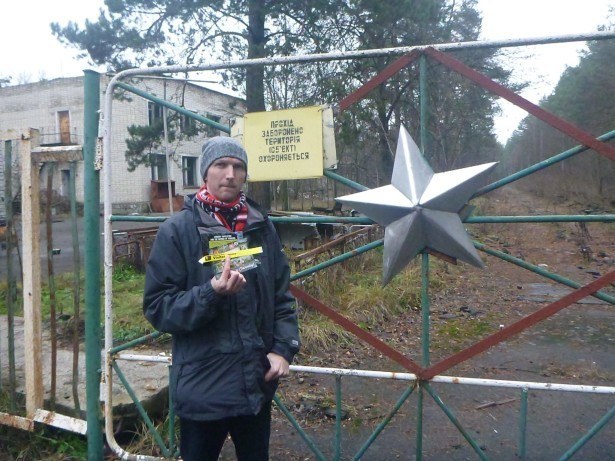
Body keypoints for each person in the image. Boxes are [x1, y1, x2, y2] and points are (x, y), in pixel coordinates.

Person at [143, 136, 300, 461]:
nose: (230, 173)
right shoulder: (177, 231)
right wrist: (210, 293)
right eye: (221, 165)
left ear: (244, 176)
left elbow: (281, 296)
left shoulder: (260, 227)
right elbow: (158, 308)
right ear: (206, 174)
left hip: (255, 386)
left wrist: (283, 350)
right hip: (204, 388)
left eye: (238, 167)